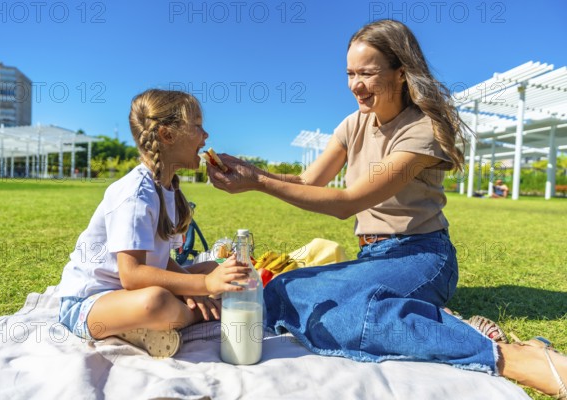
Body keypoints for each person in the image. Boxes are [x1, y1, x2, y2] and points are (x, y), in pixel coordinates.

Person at [207, 19, 566, 398]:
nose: (355, 84)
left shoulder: (422, 130)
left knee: (324, 309)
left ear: (400, 74)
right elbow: (309, 182)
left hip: (423, 256)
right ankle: (434, 323)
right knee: (280, 292)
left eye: (367, 72)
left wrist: (258, 183)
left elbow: (350, 203)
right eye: (349, 73)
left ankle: (505, 355)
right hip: (374, 255)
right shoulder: (353, 124)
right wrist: (250, 171)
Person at [55, 89, 251, 357]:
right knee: (157, 301)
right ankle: (197, 315)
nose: (206, 136)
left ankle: (154, 323)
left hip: (126, 294)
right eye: (197, 127)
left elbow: (159, 261)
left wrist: (200, 282)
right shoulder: (136, 193)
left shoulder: (166, 189)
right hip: (90, 303)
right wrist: (204, 288)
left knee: (210, 267)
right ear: (167, 135)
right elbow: (132, 275)